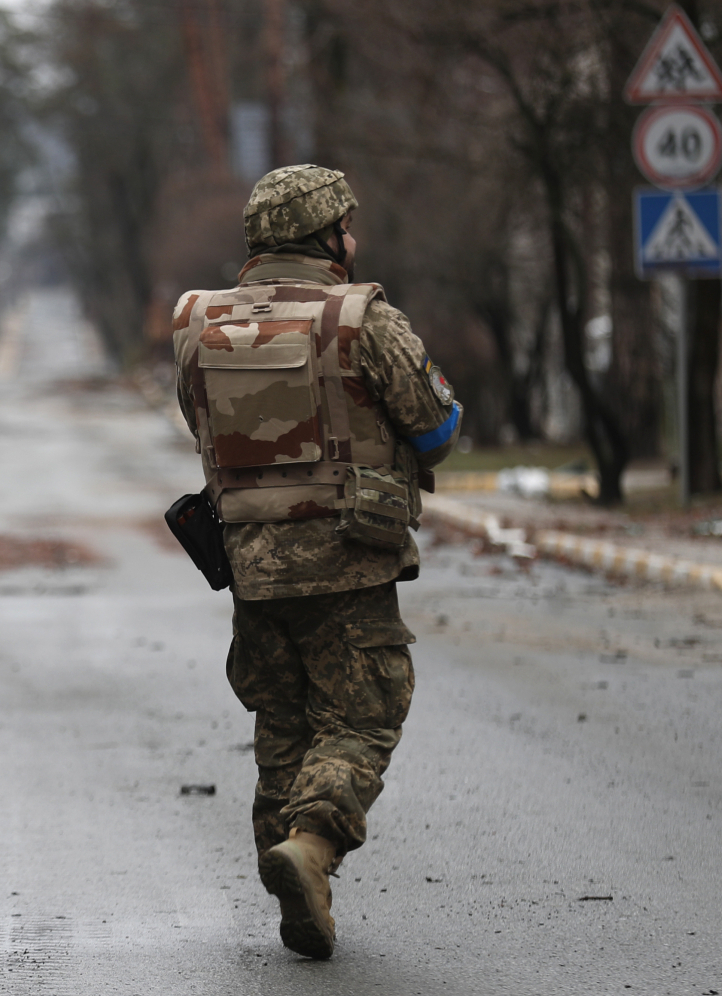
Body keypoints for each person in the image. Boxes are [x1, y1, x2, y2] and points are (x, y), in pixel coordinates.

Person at [170, 164, 461, 960]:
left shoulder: (197, 322)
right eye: (346, 227)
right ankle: (312, 846)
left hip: (251, 566)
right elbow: (435, 429)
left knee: (283, 724)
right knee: (362, 715)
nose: (353, 240)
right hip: (349, 559)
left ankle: (299, 887)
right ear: (327, 236)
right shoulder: (362, 318)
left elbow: (196, 419)